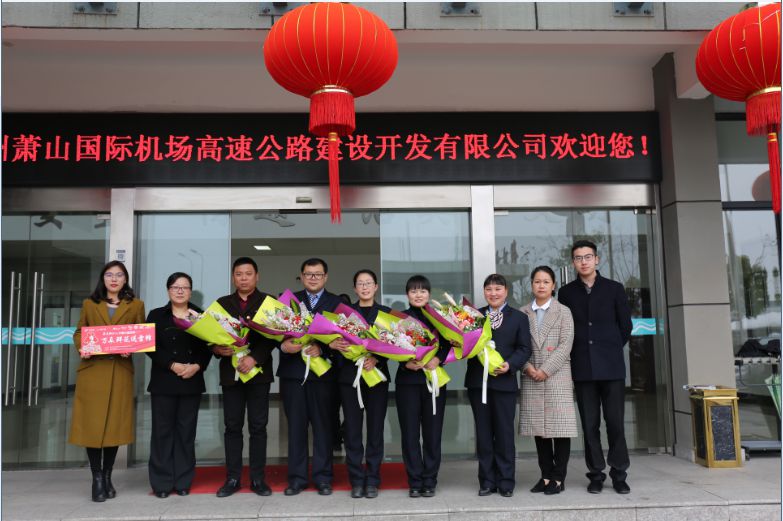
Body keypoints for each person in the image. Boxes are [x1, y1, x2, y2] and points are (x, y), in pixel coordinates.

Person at [558, 240, 633, 495]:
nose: (584, 262)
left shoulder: (614, 288)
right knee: (590, 425)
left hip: (611, 367)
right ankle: (596, 474)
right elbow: (566, 328)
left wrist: (608, 347)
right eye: (578, 258)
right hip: (582, 368)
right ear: (573, 262)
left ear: (596, 259)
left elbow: (625, 326)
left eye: (588, 257)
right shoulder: (566, 293)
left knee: (615, 423)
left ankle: (619, 473)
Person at [69, 260, 146, 502]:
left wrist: (131, 347)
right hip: (93, 371)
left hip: (120, 371)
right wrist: (83, 347)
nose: (114, 279)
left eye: (119, 275)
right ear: (103, 278)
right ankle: (97, 478)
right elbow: (79, 332)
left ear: (125, 279)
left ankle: (108, 475)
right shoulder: (89, 304)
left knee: (114, 426)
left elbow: (141, 334)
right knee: (93, 427)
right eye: (109, 275)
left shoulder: (136, 305)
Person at [212, 257, 276, 497]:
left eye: (248, 274)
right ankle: (233, 478)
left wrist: (254, 358)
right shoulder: (222, 304)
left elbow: (273, 338)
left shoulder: (268, 302)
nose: (244, 278)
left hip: (258, 374)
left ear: (257, 276)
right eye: (239, 274)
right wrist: (217, 349)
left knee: (258, 427)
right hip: (231, 374)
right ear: (233, 277)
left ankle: (258, 478)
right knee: (232, 426)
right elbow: (210, 336)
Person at [279, 258, 342, 496]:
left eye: (318, 274)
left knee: (323, 427)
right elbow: (273, 334)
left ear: (326, 277)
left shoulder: (337, 304)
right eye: (308, 274)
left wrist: (322, 349)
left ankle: (323, 477)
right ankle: (296, 479)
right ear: (302, 276)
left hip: (323, 375)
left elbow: (344, 339)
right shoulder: (288, 302)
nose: (313, 278)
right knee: (296, 428)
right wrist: (284, 346)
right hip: (294, 374)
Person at [146, 272, 212, 498]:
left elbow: (208, 347)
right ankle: (161, 483)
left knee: (186, 433)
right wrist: (171, 364)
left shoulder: (200, 315)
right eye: (175, 287)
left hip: (191, 380)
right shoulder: (156, 315)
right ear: (168, 291)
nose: (180, 291)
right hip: (164, 381)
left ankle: (183, 480)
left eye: (185, 287)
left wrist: (197, 366)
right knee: (162, 433)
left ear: (191, 292)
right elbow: (150, 346)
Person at [466, 274, 531, 498]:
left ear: (506, 291)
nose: (493, 293)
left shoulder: (519, 318)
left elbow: (525, 348)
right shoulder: (472, 317)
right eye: (489, 289)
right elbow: (464, 348)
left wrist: (509, 365)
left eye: (498, 289)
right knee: (483, 435)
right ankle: (486, 481)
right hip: (478, 383)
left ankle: (506, 481)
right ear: (484, 292)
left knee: (504, 434)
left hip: (504, 382)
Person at [329, 269, 391, 499]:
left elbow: (396, 346)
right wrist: (335, 346)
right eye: (360, 283)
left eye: (368, 283)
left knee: (375, 430)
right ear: (355, 288)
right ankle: (356, 479)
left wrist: (377, 359)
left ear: (376, 287)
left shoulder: (386, 314)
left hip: (376, 377)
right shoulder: (344, 315)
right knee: (352, 431)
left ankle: (373, 479)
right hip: (350, 379)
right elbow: (335, 342)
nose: (364, 287)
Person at [519, 266, 577, 495]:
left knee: (560, 429)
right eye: (537, 281)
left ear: (553, 285)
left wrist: (545, 370)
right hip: (531, 374)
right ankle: (545, 476)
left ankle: (558, 477)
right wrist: (528, 368)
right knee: (539, 429)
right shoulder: (523, 312)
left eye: (545, 282)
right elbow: (517, 345)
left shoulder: (564, 311)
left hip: (557, 376)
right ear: (531, 285)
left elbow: (566, 344)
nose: (541, 285)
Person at [396, 275, 451, 498]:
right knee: (409, 434)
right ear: (407, 294)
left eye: (422, 291)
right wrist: (405, 363)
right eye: (413, 291)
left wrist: (438, 358)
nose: (418, 295)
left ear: (429, 294)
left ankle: (430, 480)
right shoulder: (399, 318)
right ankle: (415, 480)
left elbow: (452, 344)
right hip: (408, 382)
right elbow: (390, 346)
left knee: (432, 433)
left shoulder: (441, 318)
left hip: (434, 380)